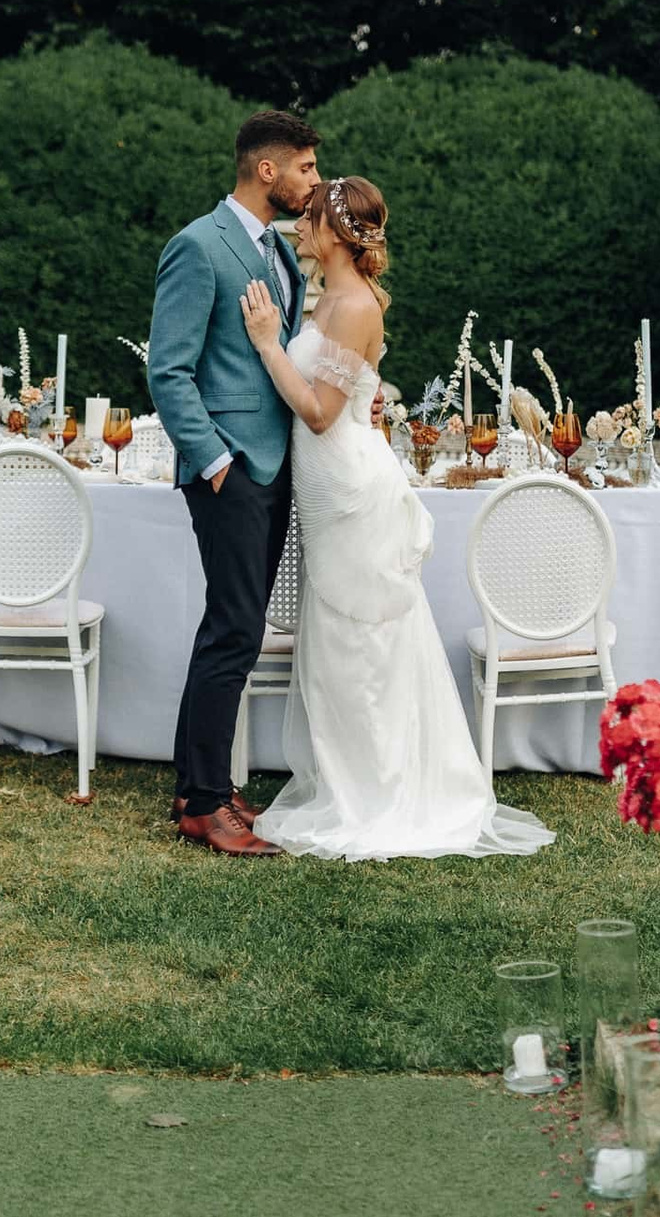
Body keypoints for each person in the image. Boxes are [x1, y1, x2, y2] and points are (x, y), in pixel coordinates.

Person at [236, 175, 555, 862]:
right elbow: (350, 391)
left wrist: (266, 343)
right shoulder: (327, 298)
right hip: (329, 491)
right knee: (336, 640)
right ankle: (347, 780)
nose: (300, 224)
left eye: (311, 217)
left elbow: (319, 414)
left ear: (335, 233)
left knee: (364, 642)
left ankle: (378, 791)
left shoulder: (353, 305)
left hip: (351, 489)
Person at [145, 109, 320, 855]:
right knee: (236, 630)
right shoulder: (197, 246)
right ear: (267, 169)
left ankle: (197, 786)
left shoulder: (277, 250)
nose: (314, 181)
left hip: (275, 464)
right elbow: (168, 370)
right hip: (232, 470)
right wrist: (216, 463)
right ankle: (207, 804)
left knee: (231, 627)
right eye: (306, 167)